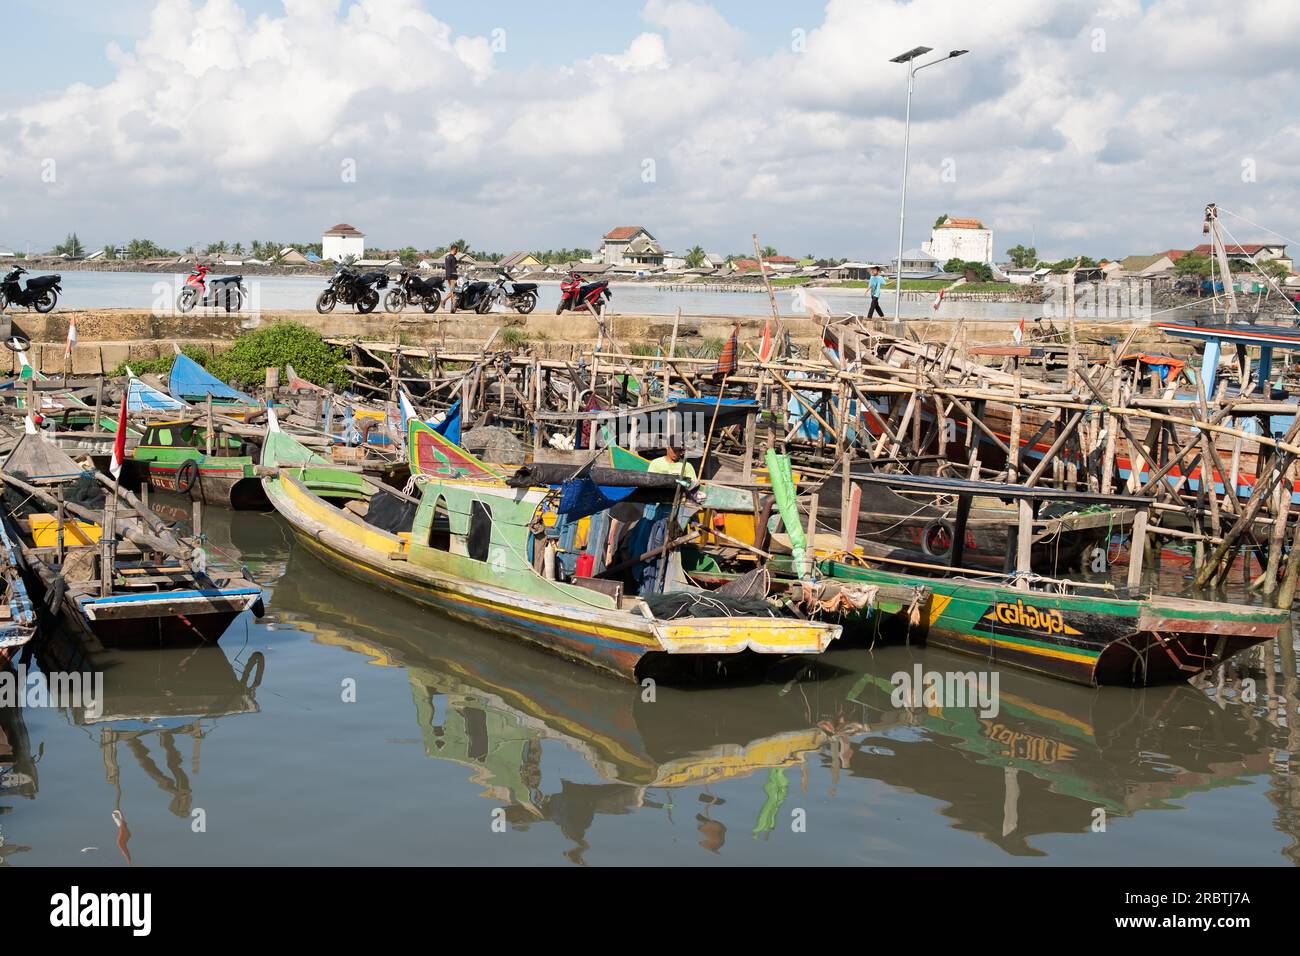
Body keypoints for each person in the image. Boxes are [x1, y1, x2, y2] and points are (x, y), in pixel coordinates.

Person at [444, 243, 460, 311]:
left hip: (448, 275)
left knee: (452, 291)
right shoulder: (453, 257)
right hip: (453, 275)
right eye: (456, 251)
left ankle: (453, 307)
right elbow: (454, 267)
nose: (456, 252)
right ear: (454, 250)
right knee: (454, 291)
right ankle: (444, 301)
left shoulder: (446, 257)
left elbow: (447, 267)